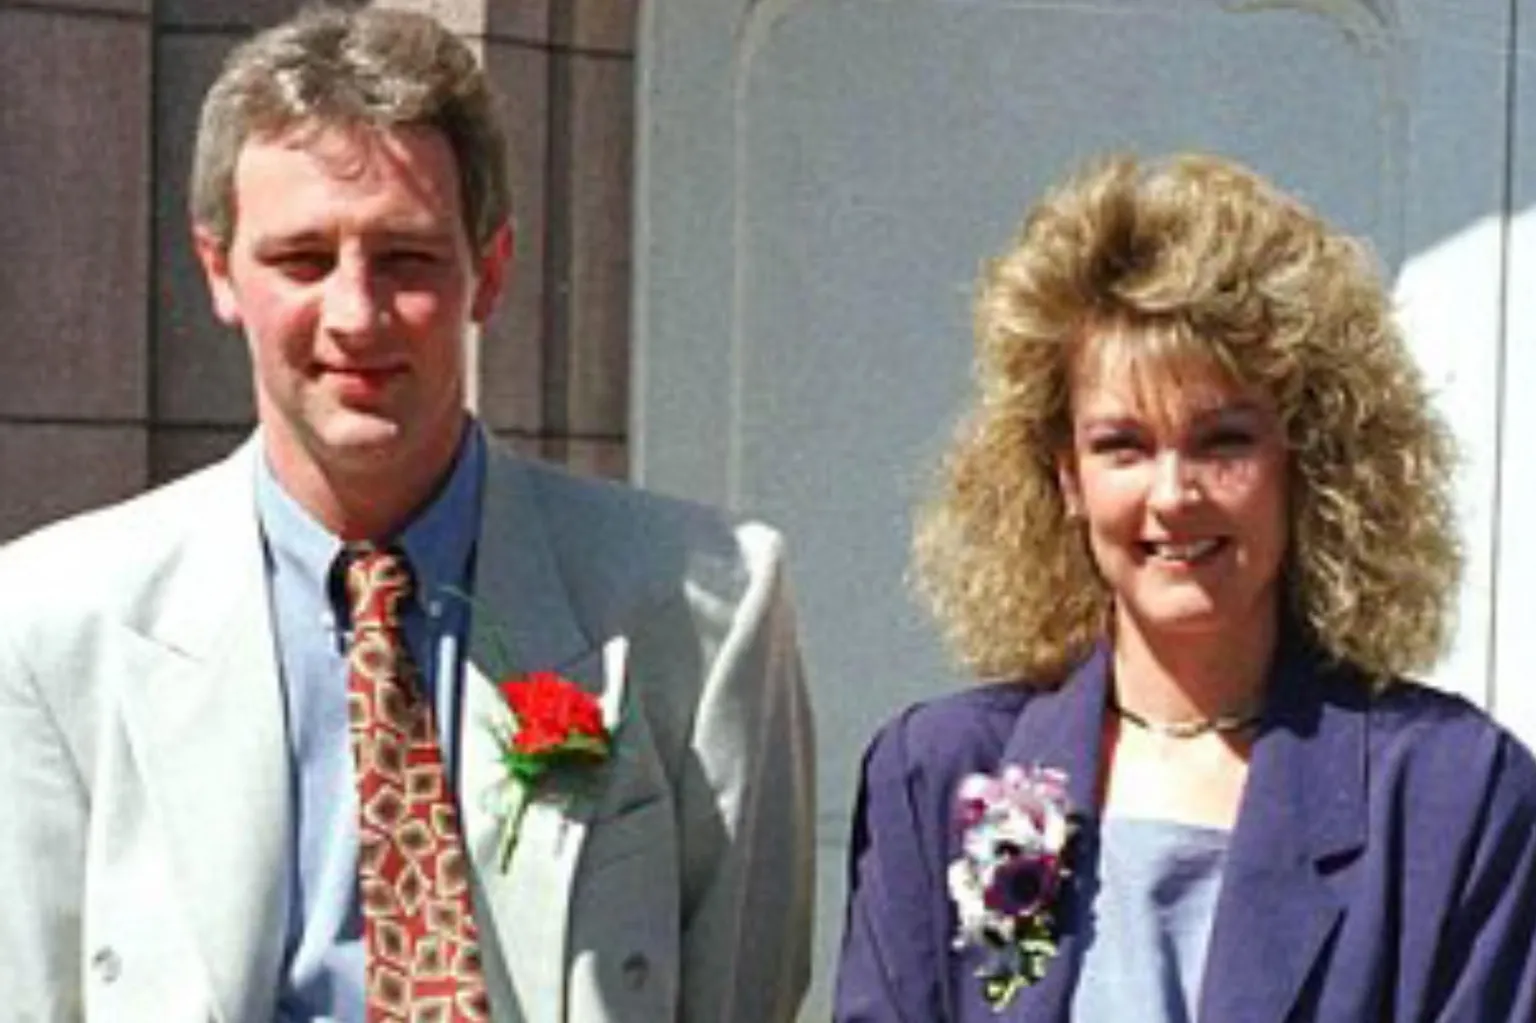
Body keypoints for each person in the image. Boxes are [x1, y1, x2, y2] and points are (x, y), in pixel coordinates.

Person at [0, 7, 814, 1022]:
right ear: (220, 274)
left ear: (493, 268)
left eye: (407, 258)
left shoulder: (702, 607)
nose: (355, 313)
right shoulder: (54, 628)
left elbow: (746, 994)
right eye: (302, 258)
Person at [834, 153, 1536, 1021]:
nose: (1172, 494)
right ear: (1067, 478)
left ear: (1306, 461)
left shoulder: (1448, 793)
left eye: (1222, 442)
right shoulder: (937, 774)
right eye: (1123, 445)